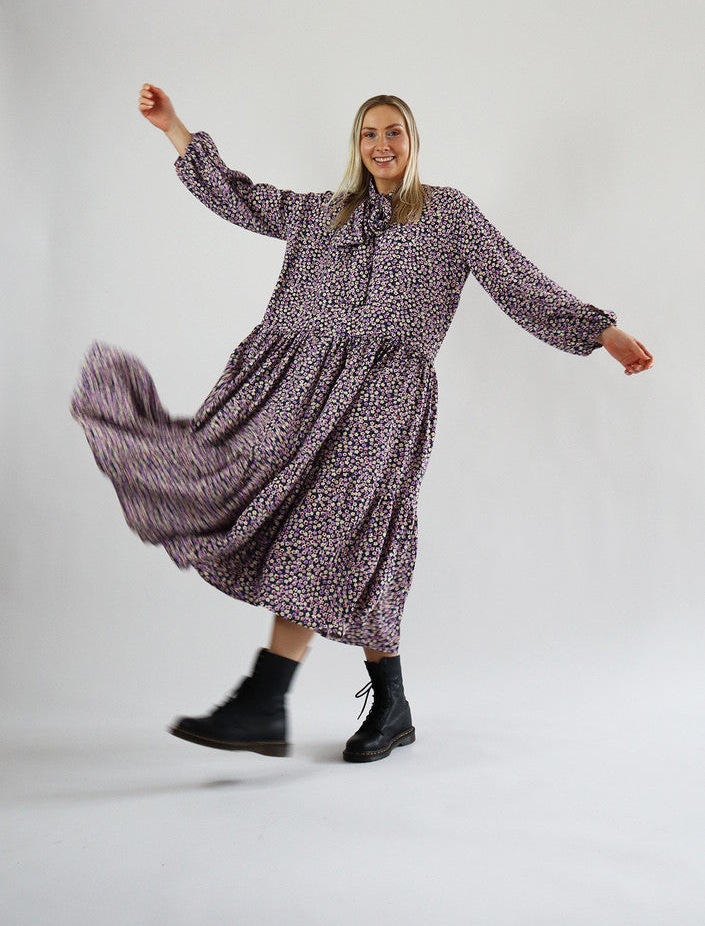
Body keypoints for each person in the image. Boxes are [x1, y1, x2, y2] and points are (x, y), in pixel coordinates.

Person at [70, 84, 653, 764]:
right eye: (369, 133)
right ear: (357, 144)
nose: (381, 145)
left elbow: (514, 278)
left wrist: (601, 332)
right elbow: (239, 198)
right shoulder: (324, 212)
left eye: (393, 132)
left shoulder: (449, 214)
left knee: (329, 526)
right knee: (342, 532)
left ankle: (265, 699)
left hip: (385, 397)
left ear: (412, 142)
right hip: (297, 389)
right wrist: (174, 128)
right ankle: (389, 704)